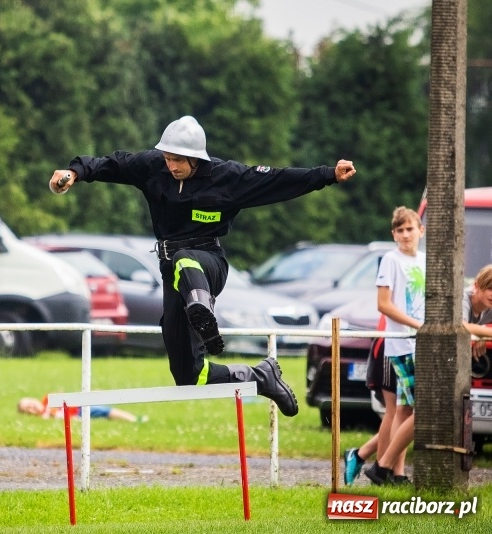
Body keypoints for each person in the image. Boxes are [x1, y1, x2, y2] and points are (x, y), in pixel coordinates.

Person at [49, 116, 357, 416]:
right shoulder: (153, 167)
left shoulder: (227, 177)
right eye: (168, 159)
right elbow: (112, 163)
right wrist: (75, 172)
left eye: (178, 161)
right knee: (188, 376)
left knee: (186, 258)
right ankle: (262, 377)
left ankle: (202, 309)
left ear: (196, 158)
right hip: (172, 273)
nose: (172, 167)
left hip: (209, 263)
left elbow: (278, 179)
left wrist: (328, 174)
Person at [364, 206, 425, 485]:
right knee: (423, 408)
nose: (405, 234)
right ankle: (382, 467)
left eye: (410, 229)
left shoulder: (424, 261)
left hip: (421, 343)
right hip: (402, 343)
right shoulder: (391, 259)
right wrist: (418, 326)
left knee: (405, 410)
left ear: (420, 231)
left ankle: (397, 474)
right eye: (399, 230)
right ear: (393, 234)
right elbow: (384, 304)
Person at [343, 316, 401, 485]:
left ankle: (363, 456)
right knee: (396, 411)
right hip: (391, 342)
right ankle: (381, 472)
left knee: (404, 413)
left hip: (404, 343)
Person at [17, 396, 148, 423]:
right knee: (104, 413)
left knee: (105, 411)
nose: (31, 407)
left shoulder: (48, 399)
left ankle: (134, 420)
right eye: (27, 408)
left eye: (30, 403)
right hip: (76, 416)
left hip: (79, 408)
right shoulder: (43, 419)